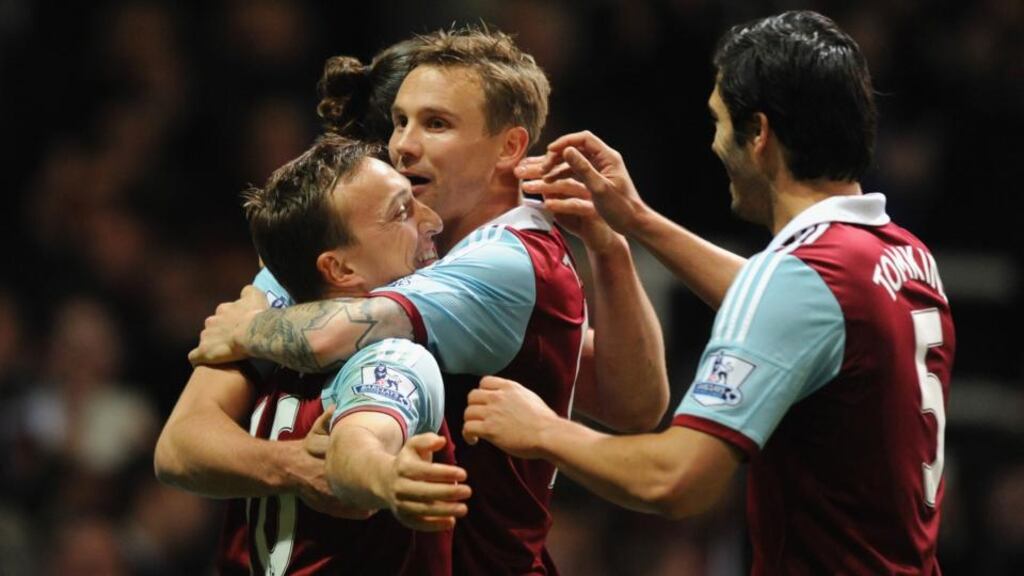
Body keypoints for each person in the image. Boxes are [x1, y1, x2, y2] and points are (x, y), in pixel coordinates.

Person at [463, 11, 955, 575]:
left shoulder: (800, 281)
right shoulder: (902, 255)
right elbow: (793, 311)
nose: (715, 143)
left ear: (760, 134)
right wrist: (639, 221)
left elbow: (677, 481)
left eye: (719, 122)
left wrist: (544, 431)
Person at [189, 25, 669, 575]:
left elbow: (328, 336)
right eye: (399, 121)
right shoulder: (361, 246)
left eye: (436, 124)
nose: (403, 145)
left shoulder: (509, 262)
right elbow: (181, 447)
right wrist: (295, 465)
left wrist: (250, 325)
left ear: (511, 146)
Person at [155, 134, 470, 575]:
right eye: (402, 211)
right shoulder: (394, 353)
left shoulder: (262, 339)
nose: (433, 220)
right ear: (339, 268)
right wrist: (384, 478)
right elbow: (357, 445)